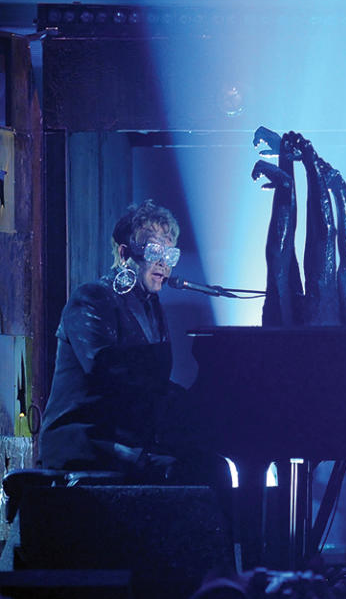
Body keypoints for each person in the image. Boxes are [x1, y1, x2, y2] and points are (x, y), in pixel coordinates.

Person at [39, 200, 226, 486]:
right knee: (191, 472)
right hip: (87, 438)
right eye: (154, 252)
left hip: (128, 437)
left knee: (212, 465)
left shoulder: (153, 307)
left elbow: (156, 382)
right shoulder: (91, 298)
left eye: (170, 254)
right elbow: (109, 374)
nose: (164, 263)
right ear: (125, 253)